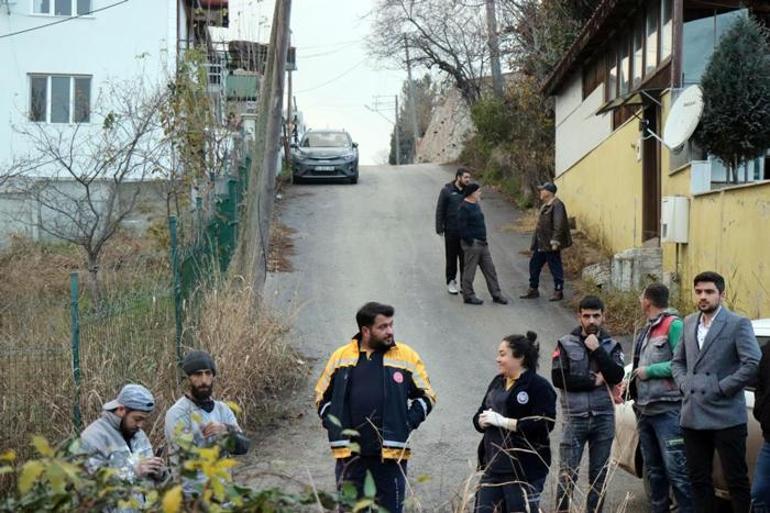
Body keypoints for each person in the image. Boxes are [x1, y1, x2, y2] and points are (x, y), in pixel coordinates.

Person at [314, 302, 436, 513]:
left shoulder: (406, 356)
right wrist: (333, 424)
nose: (390, 331)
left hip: (390, 458)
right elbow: (321, 396)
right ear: (365, 330)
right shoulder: (341, 357)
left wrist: (406, 423)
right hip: (350, 458)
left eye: (391, 325)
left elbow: (428, 395)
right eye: (383, 327)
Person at [671, 271, 760, 513]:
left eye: (709, 292)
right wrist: (684, 384)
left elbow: (752, 362)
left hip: (727, 415)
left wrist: (721, 388)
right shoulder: (688, 322)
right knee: (698, 480)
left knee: (736, 481)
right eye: (699, 291)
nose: (703, 296)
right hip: (692, 414)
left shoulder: (737, 323)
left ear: (721, 294)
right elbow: (677, 362)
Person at [552, 295, 625, 513]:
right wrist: (593, 380)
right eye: (586, 316)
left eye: (596, 316)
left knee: (599, 476)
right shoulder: (565, 343)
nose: (591, 321)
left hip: (604, 418)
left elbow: (616, 374)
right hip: (575, 419)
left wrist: (597, 350)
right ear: (579, 317)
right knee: (567, 474)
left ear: (603, 317)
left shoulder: (612, 345)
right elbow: (559, 379)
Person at [472, 331, 556, 513]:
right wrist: (480, 421)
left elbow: (544, 424)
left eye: (503, 354)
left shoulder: (538, 386)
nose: (497, 359)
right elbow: (480, 412)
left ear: (520, 358)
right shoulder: (497, 382)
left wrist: (504, 422)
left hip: (522, 471)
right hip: (493, 467)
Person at [629, 283, 693, 513]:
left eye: (640, 297)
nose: (639, 301)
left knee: (677, 472)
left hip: (668, 410)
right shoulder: (648, 328)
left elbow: (683, 362)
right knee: (654, 471)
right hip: (645, 410)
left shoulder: (673, 325)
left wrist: (650, 371)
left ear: (647, 300)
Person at [165, 350, 251, 496]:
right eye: (198, 374)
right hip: (192, 496)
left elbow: (243, 447)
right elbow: (187, 461)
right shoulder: (177, 413)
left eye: (208, 373)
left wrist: (226, 431)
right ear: (188, 378)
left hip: (223, 493)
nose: (204, 380)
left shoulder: (223, 409)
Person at [79, 384, 164, 511]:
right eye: (137, 418)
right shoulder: (93, 437)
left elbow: (151, 483)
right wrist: (133, 472)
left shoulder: (139, 435)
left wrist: (159, 473)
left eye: (144, 420)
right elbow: (89, 488)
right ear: (121, 410)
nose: (140, 425)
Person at [457, 183, 508, 305]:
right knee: (470, 271)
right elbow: (461, 228)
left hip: (483, 243)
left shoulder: (476, 205)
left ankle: (496, 294)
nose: (480, 193)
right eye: (478, 191)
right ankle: (468, 295)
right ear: (472, 193)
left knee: (490, 269)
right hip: (473, 244)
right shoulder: (464, 207)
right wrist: (471, 241)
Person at [520, 182, 571, 302]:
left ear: (549, 192)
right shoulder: (545, 205)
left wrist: (555, 241)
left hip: (550, 243)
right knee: (534, 264)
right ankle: (533, 289)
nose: (540, 192)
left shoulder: (557, 205)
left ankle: (559, 290)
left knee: (555, 266)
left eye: (542, 190)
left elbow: (559, 224)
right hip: (541, 242)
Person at [435, 167, 472, 295]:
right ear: (458, 177)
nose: (468, 180)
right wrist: (439, 227)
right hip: (451, 230)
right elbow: (440, 209)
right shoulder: (446, 191)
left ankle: (464, 284)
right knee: (451, 258)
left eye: (469, 178)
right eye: (466, 177)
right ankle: (451, 281)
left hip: (465, 231)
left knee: (465, 258)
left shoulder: (469, 191)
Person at [752, 339, 770, 512]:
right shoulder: (767, 350)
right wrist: (761, 410)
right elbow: (760, 385)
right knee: (759, 493)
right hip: (769, 440)